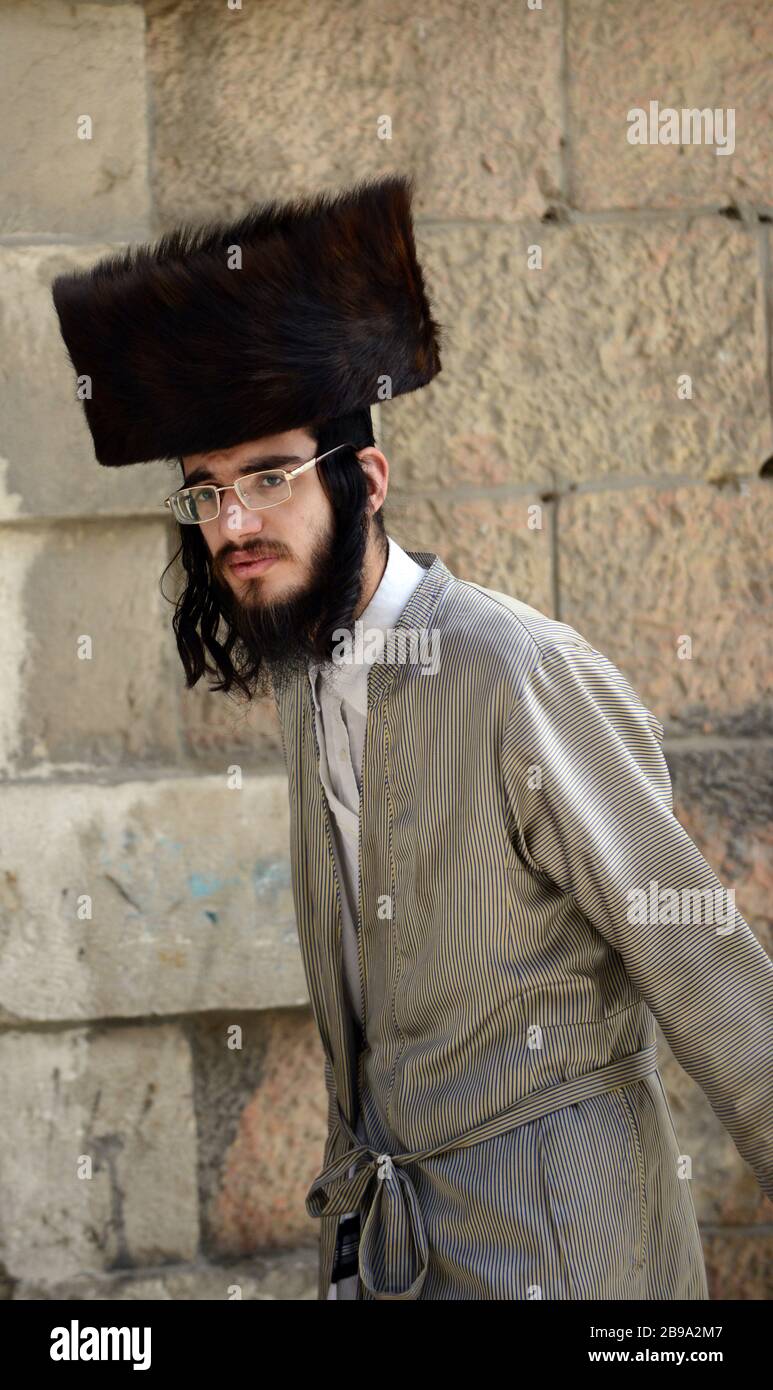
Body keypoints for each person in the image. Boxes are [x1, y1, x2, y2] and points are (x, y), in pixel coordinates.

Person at [51, 172, 773, 1301]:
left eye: (269, 477)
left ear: (366, 479)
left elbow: (701, 963)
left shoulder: (505, 669)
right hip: (401, 1251)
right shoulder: (305, 674)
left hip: (566, 1252)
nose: (233, 522)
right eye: (206, 493)